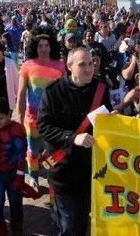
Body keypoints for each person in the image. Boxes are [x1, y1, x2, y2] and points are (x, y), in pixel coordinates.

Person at [37, 48, 112, 235]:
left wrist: (114, 121)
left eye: (91, 63)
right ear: (69, 66)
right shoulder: (53, 91)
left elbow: (105, 121)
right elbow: (43, 126)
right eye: (82, 65)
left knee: (91, 223)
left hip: (93, 171)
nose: (89, 69)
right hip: (65, 173)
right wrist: (72, 138)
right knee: (71, 227)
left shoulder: (101, 88)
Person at [15, 33, 65, 188]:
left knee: (52, 152)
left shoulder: (60, 65)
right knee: (32, 150)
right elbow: (22, 94)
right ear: (34, 48)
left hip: (53, 119)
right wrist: (19, 118)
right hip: (32, 119)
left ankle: (51, 175)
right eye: (40, 45)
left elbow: (64, 94)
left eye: (47, 45)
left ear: (52, 47)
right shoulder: (27, 65)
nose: (43, 49)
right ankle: (34, 178)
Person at [0, 97, 26, 236]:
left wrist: (20, 177)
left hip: (14, 173)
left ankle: (17, 229)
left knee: (15, 204)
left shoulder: (17, 129)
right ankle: (0, 231)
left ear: (9, 114)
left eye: (1, 118)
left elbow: (21, 155)